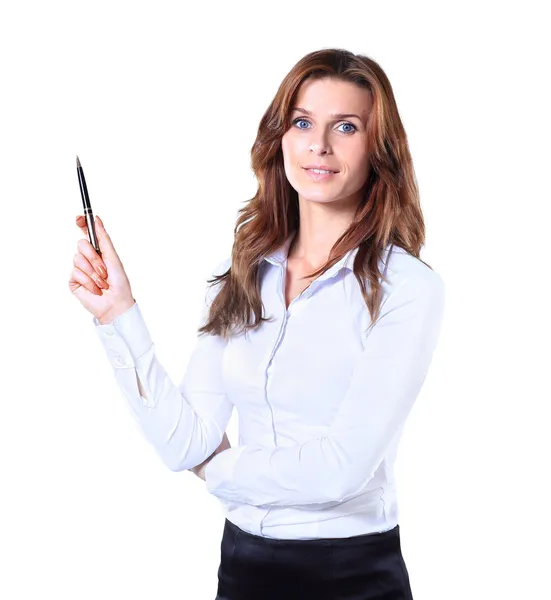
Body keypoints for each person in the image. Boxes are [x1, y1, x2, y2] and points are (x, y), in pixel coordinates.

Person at [68, 48, 445, 600]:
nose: (319, 145)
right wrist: (118, 314)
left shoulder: (406, 289)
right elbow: (184, 443)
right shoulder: (238, 274)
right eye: (302, 122)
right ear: (281, 139)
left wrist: (219, 471)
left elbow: (341, 470)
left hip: (353, 575)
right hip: (242, 566)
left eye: (346, 126)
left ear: (378, 150)